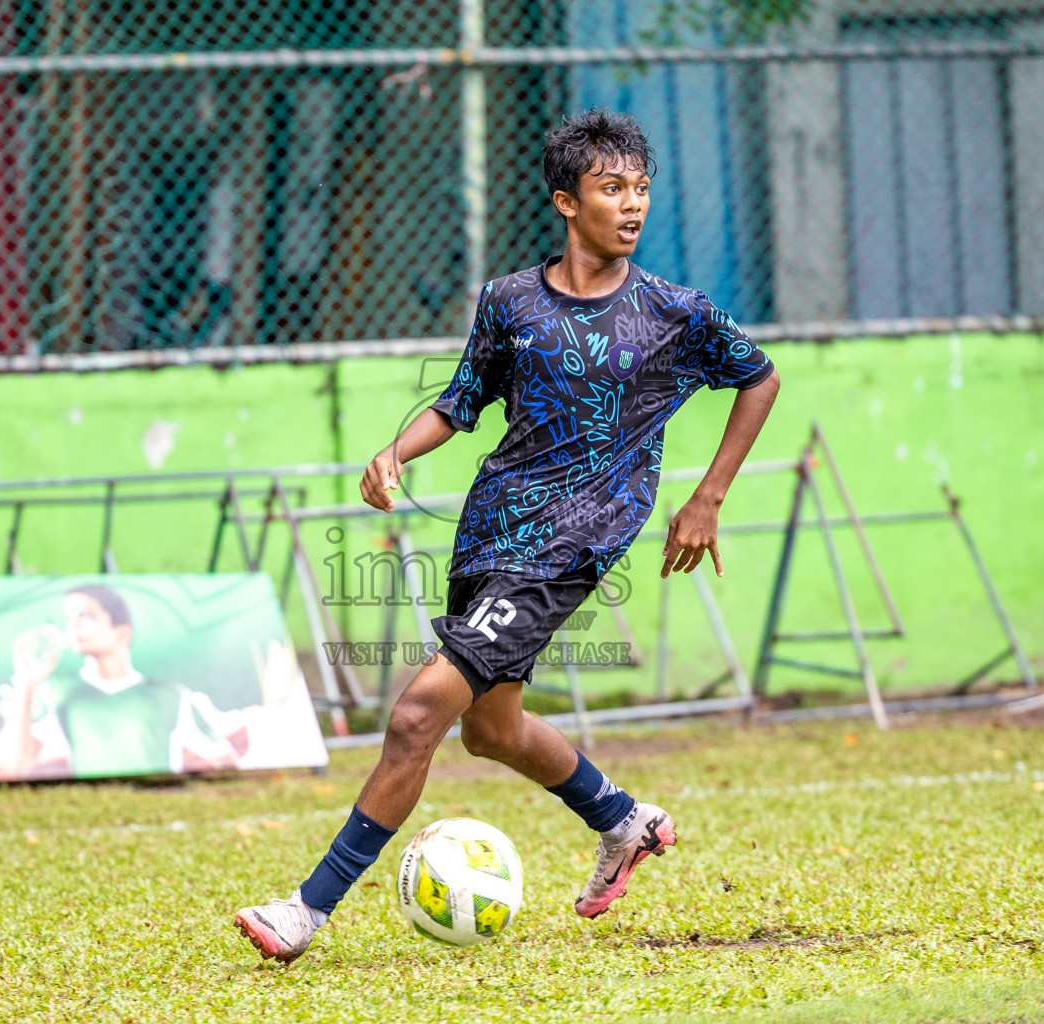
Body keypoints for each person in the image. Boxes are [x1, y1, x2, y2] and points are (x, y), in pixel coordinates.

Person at [235, 109, 780, 963]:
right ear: (567, 201)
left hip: (575, 542)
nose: (631, 204)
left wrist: (707, 496)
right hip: (492, 530)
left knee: (417, 713)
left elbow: (760, 378)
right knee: (489, 729)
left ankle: (305, 910)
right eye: (611, 189)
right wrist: (394, 449)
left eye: (641, 189)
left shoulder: (676, 311)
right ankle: (625, 820)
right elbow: (460, 401)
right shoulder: (509, 301)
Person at [1, 584, 249, 778]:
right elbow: (18, 766)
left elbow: (225, 760)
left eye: (86, 617)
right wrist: (25, 683)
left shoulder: (170, 696)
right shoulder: (58, 690)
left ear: (122, 633)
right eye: (69, 618)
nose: (73, 627)